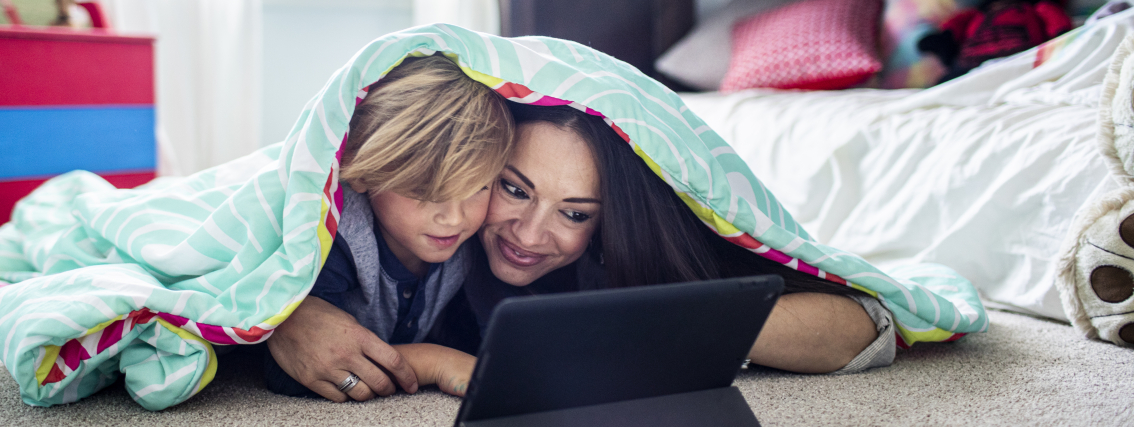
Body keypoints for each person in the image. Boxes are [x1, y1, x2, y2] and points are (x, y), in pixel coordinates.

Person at [267, 103, 895, 402]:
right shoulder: (439, 236)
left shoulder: (625, 254)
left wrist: (658, 321)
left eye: (574, 214)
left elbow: (860, 328)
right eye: (513, 189)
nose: (529, 235)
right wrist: (285, 317)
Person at [261, 54, 515, 403]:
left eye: (478, 187)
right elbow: (296, 366)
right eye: (426, 190)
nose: (455, 218)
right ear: (363, 171)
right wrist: (435, 362)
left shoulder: (472, 241)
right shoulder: (338, 235)